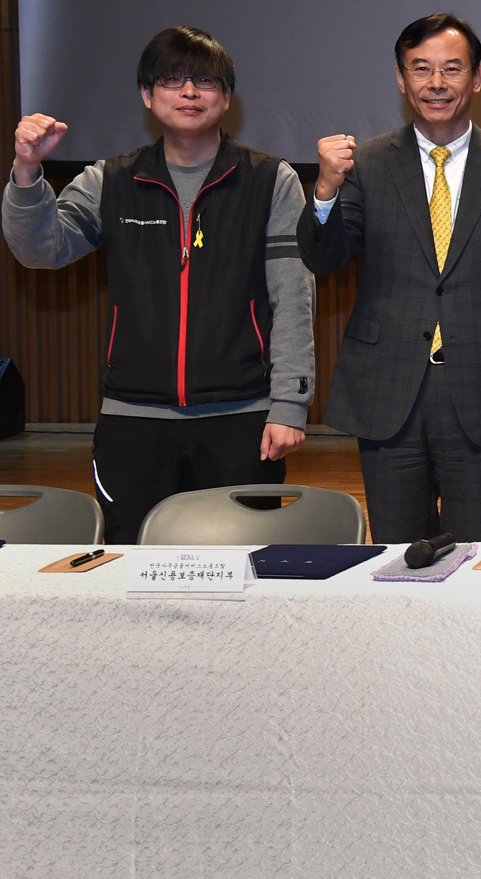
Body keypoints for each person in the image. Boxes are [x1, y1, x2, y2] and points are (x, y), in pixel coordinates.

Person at [3, 27, 313, 542]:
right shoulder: (111, 180)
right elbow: (40, 250)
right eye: (173, 79)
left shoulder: (269, 181)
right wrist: (27, 169)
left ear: (227, 97)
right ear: (147, 94)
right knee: (132, 563)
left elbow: (292, 298)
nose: (189, 92)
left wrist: (289, 405)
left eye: (205, 81)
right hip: (133, 420)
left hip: (242, 418)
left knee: (238, 566)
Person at [299, 13, 481, 544]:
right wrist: (324, 190)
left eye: (452, 69)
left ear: (477, 78)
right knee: (398, 555)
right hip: (389, 389)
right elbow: (326, 259)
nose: (436, 83)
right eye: (421, 69)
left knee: (477, 555)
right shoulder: (365, 164)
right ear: (401, 80)